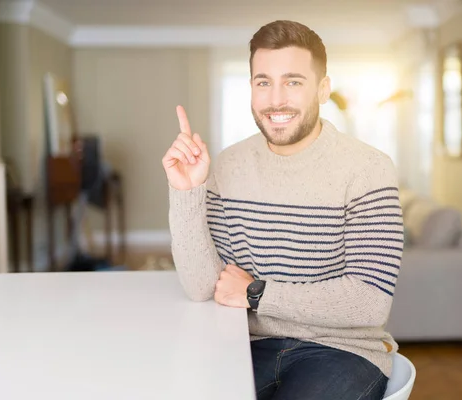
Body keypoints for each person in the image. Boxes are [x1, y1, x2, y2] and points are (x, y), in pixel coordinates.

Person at [162, 20, 403, 400]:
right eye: (263, 82)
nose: (276, 99)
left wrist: (257, 294)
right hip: (242, 344)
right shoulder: (226, 166)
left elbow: (369, 302)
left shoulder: (368, 169)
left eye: (293, 81)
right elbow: (203, 288)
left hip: (341, 352)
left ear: (322, 89)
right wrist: (187, 190)